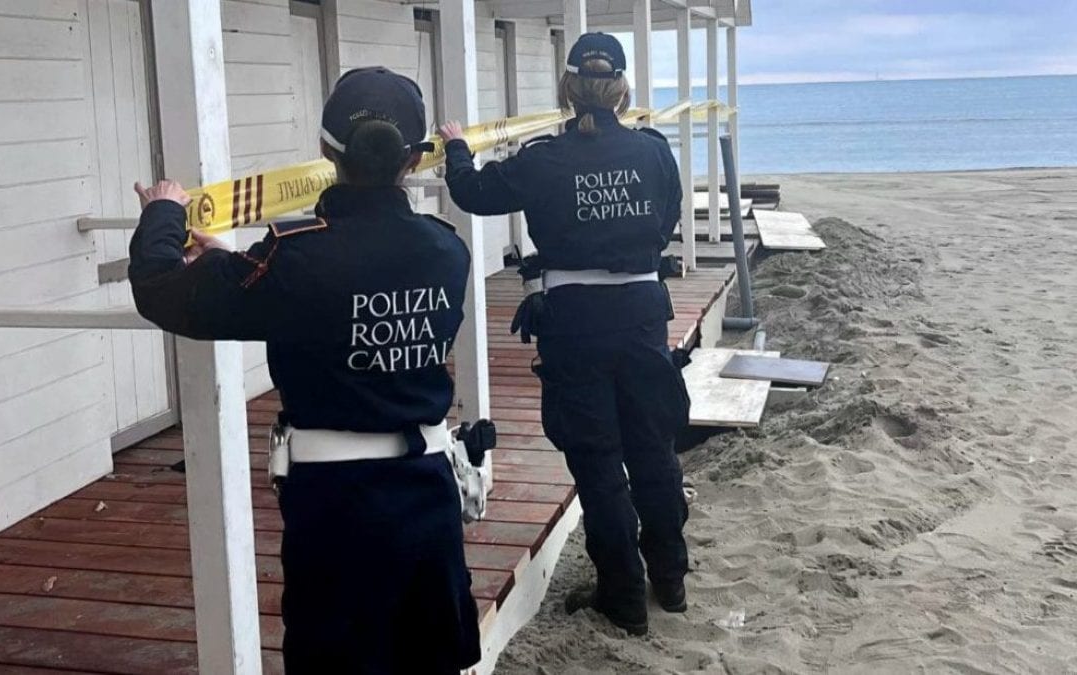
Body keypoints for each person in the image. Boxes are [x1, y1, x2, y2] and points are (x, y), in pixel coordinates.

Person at [128, 67, 481, 674]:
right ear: (414, 158)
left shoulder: (292, 259)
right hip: (429, 495)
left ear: (325, 150)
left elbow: (162, 287)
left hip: (334, 507)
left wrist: (163, 212)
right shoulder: (447, 248)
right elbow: (345, 281)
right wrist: (238, 262)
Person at [439, 33, 691, 636]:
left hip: (575, 319)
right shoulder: (653, 152)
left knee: (597, 458)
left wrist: (456, 148)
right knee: (652, 447)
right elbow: (668, 216)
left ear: (568, 89)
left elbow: (472, 193)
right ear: (623, 90)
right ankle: (671, 578)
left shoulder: (544, 158)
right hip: (641, 310)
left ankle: (624, 596)